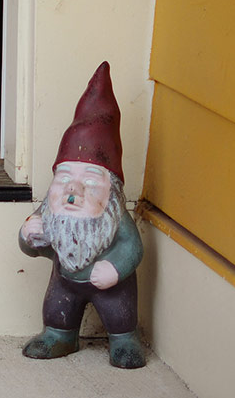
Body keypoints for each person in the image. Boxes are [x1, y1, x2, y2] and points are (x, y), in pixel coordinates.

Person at [17, 61, 147, 369]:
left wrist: (115, 269)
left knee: (119, 311)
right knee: (58, 306)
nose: (73, 189)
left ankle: (124, 340)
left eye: (89, 180)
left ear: (111, 189)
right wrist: (28, 238)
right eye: (64, 178)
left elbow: (132, 247)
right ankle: (59, 335)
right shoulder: (51, 211)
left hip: (111, 287)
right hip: (65, 282)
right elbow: (35, 249)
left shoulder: (114, 217)